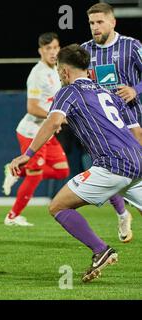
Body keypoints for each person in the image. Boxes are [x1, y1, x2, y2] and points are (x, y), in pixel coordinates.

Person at [9, 44, 142, 282]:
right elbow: (137, 133)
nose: (59, 74)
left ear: (65, 72)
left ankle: (101, 250)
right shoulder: (109, 93)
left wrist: (27, 154)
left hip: (112, 163)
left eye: (60, 69)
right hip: (137, 160)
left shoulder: (69, 91)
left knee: (58, 206)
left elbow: (52, 122)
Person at [81, 2, 142, 243]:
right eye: (91, 23)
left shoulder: (131, 46)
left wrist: (135, 89)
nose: (95, 27)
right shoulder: (84, 51)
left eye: (99, 22)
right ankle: (121, 213)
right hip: (102, 128)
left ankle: (125, 212)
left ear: (112, 22)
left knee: (138, 177)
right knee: (108, 172)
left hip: (134, 122)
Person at [2, 32, 70, 226]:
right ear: (41, 51)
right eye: (48, 48)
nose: (53, 52)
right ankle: (12, 217)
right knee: (35, 175)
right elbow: (32, 108)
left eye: (56, 47)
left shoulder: (58, 71)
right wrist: (57, 119)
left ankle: (15, 171)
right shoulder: (37, 74)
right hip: (31, 131)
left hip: (47, 132)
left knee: (62, 171)